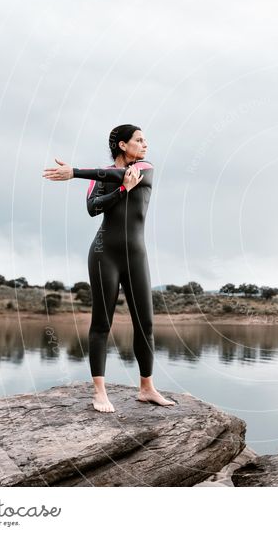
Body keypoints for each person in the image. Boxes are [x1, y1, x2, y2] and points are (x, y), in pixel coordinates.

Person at [42, 124, 175, 412]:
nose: (145, 144)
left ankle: (146, 388)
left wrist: (76, 172)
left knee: (146, 324)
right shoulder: (102, 175)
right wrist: (122, 191)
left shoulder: (145, 167)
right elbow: (93, 207)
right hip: (104, 254)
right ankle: (100, 393)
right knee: (102, 323)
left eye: (145, 140)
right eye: (139, 140)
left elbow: (119, 176)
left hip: (136, 255)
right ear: (123, 145)